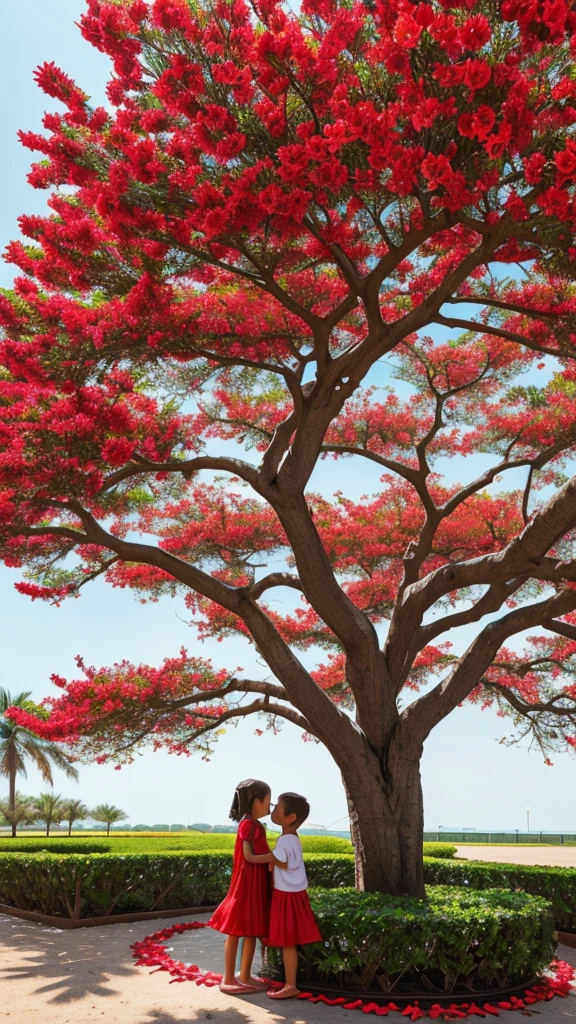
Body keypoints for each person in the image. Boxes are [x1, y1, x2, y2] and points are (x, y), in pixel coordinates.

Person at [209, 778, 273, 995]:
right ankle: (228, 978)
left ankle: (244, 975)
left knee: (250, 930)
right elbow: (249, 856)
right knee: (236, 930)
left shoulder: (253, 824)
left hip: (254, 883)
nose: (269, 806)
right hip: (246, 884)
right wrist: (275, 857)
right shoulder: (248, 824)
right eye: (268, 801)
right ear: (256, 801)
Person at [266, 791, 322, 1000]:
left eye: (277, 807)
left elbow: (281, 860)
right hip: (294, 893)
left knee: (288, 940)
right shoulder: (293, 838)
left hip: (286, 895)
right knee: (289, 940)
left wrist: (253, 856)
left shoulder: (285, 840)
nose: (273, 810)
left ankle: (291, 985)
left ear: (290, 817)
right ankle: (290, 984)